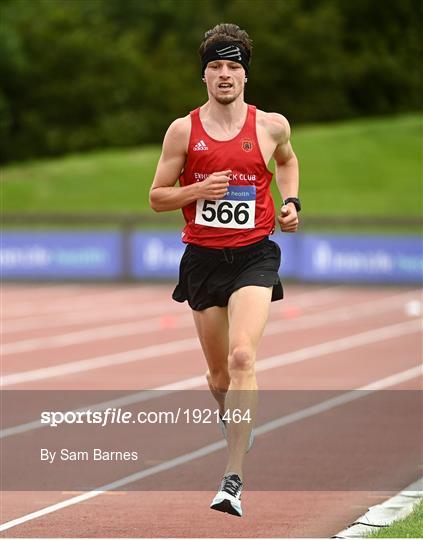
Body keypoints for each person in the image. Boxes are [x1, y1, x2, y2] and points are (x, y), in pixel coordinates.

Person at [149, 23, 300, 517]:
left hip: (255, 253)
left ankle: (232, 478)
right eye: (215, 67)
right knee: (218, 376)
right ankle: (237, 419)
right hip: (202, 259)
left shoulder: (270, 125)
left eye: (233, 66)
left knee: (241, 359)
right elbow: (156, 197)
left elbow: (287, 161)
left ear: (245, 76)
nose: (225, 75)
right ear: (204, 77)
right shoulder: (182, 130)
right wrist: (196, 191)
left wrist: (291, 201)